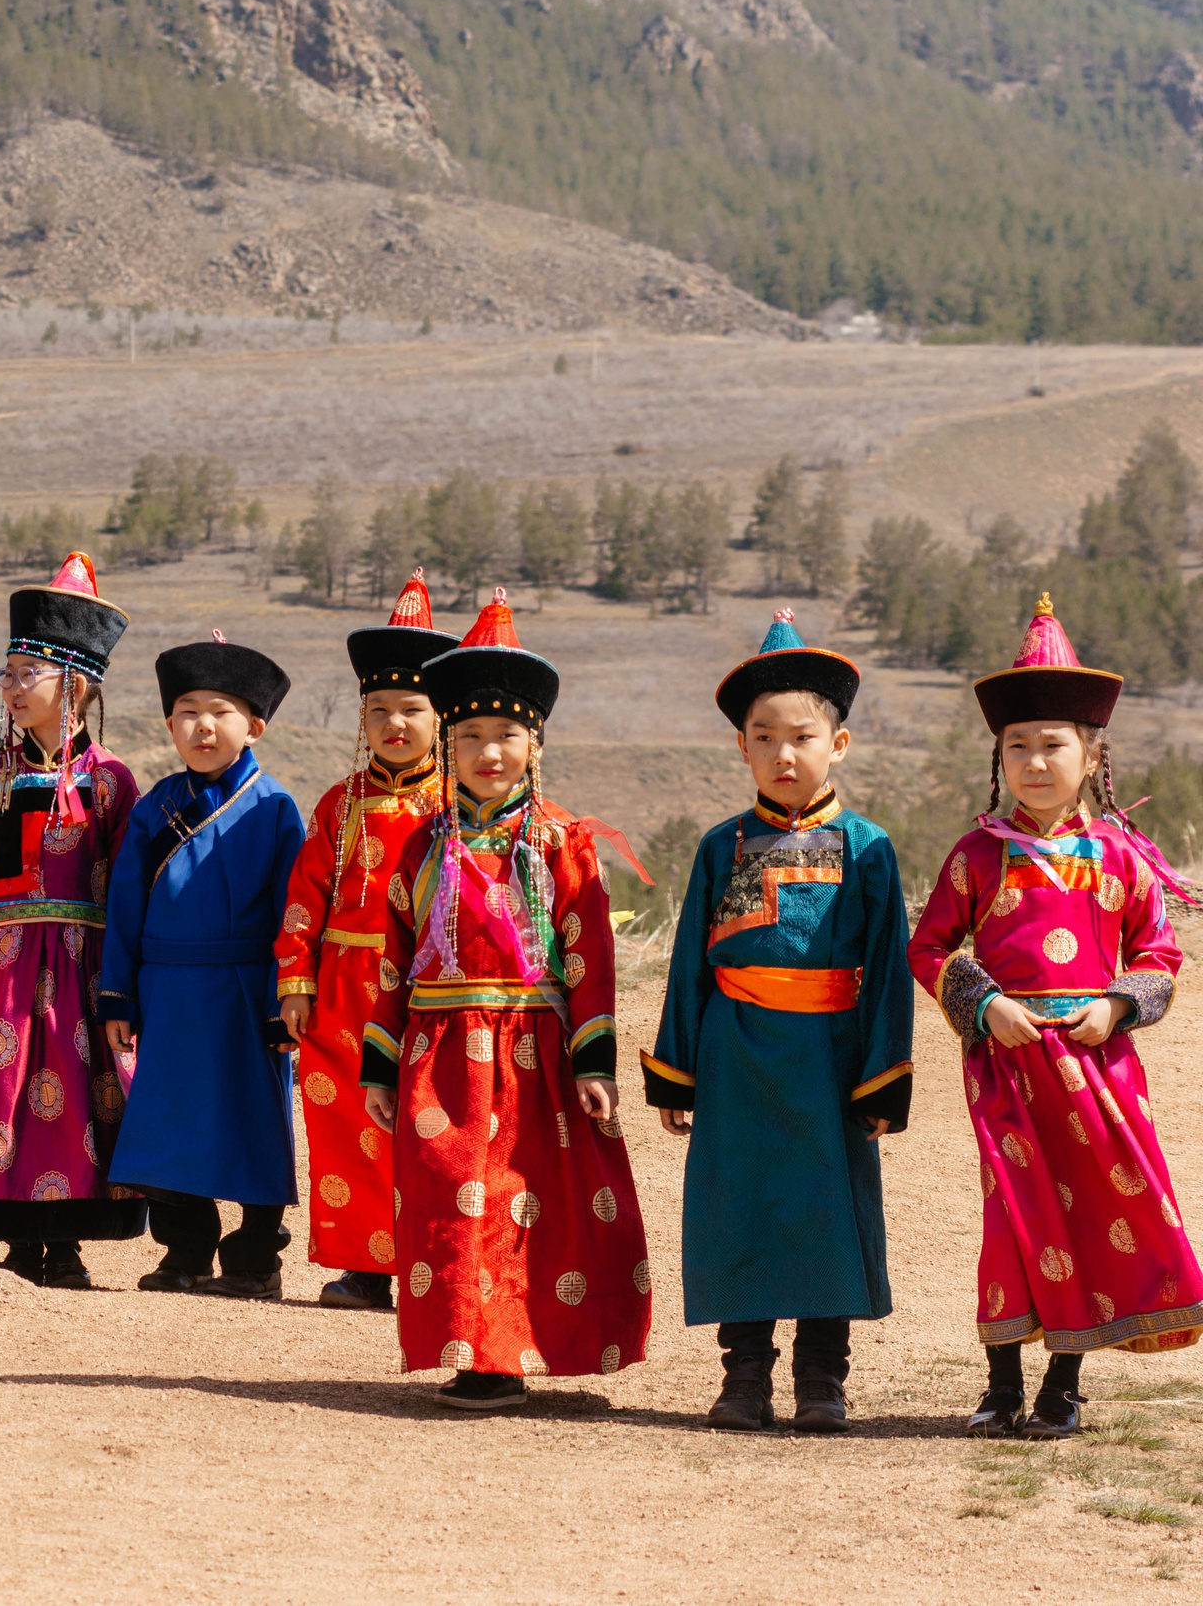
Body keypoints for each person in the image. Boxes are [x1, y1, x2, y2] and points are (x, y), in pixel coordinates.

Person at [909, 593, 1200, 1440]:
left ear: (1092, 753)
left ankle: (1063, 1386)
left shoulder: (1121, 858)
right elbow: (928, 949)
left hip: (1100, 1064)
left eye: (1054, 745)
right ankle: (1001, 1384)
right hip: (1006, 1063)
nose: (1036, 762)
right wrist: (985, 1002)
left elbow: (1160, 957)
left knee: (1089, 1211)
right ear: (999, 756)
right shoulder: (976, 855)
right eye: (1018, 745)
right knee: (1016, 1212)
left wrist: (1116, 1005)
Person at [365, 589, 652, 1411]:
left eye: (506, 735)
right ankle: (474, 1354)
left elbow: (589, 955)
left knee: (528, 1206)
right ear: (447, 744)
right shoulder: (424, 845)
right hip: (441, 1052)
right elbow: (393, 964)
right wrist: (380, 1067)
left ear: (535, 741)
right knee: (452, 1202)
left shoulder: (563, 840)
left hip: (534, 1056)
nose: (489, 752)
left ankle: (522, 1348)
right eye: (469, 737)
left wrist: (593, 1060)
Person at [642, 610, 912, 1433]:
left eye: (802, 736)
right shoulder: (721, 846)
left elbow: (890, 972)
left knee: (828, 1212)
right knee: (740, 1207)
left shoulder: (868, 847)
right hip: (736, 1058)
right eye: (765, 737)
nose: (783, 754)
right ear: (742, 748)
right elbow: (692, 958)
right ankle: (744, 1376)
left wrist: (880, 1078)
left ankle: (822, 1379)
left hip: (831, 1059)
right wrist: (678, 1071)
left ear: (840, 744)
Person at [0, 554, 144, 1289]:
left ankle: (67, 1242)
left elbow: (126, 889)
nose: (12, 688)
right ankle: (18, 1241)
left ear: (75, 686)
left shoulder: (111, 780)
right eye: (7, 673)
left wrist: (122, 984)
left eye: (28, 674)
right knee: (3, 1083)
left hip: (81, 959)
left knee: (73, 1094)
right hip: (0, 961)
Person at [100, 634, 305, 1300]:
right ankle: (184, 1250)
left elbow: (290, 911)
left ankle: (254, 1259)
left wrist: (285, 1000)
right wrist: (118, 997)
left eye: (220, 710)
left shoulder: (275, 808)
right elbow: (124, 907)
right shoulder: (153, 807)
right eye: (188, 711)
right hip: (167, 992)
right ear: (168, 724)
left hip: (247, 991)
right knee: (168, 1121)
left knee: (253, 1120)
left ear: (256, 724)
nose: (204, 726)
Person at [276, 565, 454, 1312]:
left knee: (422, 1122)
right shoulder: (339, 803)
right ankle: (362, 1265)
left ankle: (428, 1258)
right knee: (346, 1122)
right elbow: (303, 900)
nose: (394, 724)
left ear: (442, 714)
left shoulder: (454, 804)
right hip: (342, 988)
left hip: (420, 989)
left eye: (411, 708)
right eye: (378, 709)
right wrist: (295, 980)